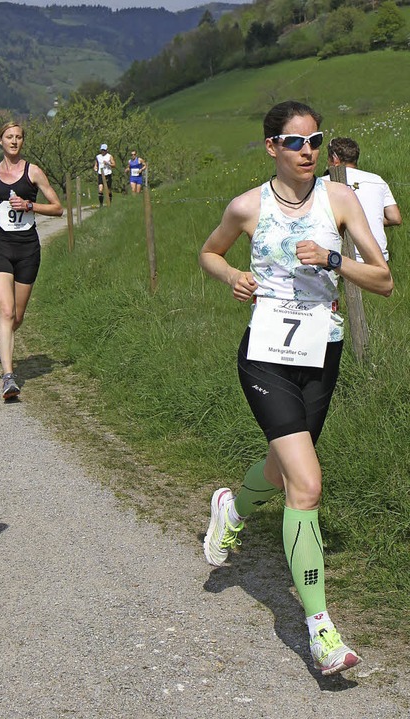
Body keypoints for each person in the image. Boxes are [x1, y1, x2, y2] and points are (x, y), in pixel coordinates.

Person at [199, 100, 393, 676]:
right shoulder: (246, 206)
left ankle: (232, 506)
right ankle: (321, 630)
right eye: (293, 142)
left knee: (284, 472)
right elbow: (209, 252)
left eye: (314, 141)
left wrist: (334, 258)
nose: (306, 151)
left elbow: (382, 279)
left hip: (320, 354)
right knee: (307, 485)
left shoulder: (340, 200)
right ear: (271, 148)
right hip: (264, 358)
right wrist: (233, 274)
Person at [0, 121, 62, 400]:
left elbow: (58, 208)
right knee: (5, 310)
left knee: (17, 317)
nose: (14, 141)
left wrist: (30, 205)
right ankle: (8, 377)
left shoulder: (33, 172)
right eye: (9, 137)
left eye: (19, 137)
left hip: (27, 248)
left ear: (22, 142)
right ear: (0, 141)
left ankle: (3, 345)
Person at [324, 137, 402, 262]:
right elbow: (395, 218)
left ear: (335, 159)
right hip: (378, 256)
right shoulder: (377, 180)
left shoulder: (323, 183)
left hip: (339, 259)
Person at [93, 143, 115, 207]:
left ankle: (109, 203)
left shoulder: (109, 156)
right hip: (100, 174)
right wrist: (95, 167)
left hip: (107, 174)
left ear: (107, 150)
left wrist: (108, 163)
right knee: (100, 189)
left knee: (108, 190)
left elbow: (114, 164)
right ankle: (101, 204)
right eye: (102, 150)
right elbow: (96, 164)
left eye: (104, 150)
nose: (103, 151)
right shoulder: (98, 156)